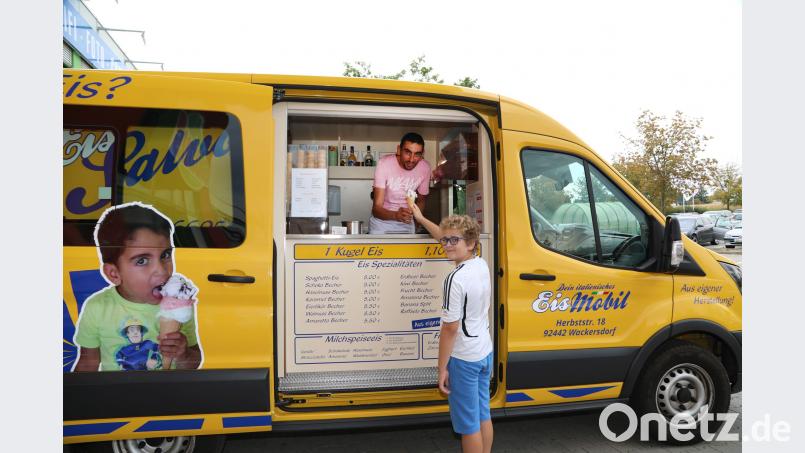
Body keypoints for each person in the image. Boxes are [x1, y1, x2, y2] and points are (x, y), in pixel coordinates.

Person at [72, 202, 202, 371]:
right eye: (142, 260)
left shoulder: (179, 302)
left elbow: (193, 361)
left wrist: (183, 354)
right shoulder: (98, 307)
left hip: (166, 393)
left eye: (166, 255)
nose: (161, 270)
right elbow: (88, 363)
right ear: (114, 274)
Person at [409, 199, 494, 453]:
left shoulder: (454, 279)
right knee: (482, 415)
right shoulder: (480, 263)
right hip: (484, 353)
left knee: (468, 427)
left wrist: (441, 368)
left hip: (463, 358)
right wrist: (421, 218)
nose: (446, 245)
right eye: (444, 240)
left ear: (470, 244)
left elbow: (450, 328)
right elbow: (448, 237)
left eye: (453, 241)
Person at [369, 132, 432, 234]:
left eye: (417, 154)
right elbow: (376, 209)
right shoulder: (384, 164)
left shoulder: (425, 168)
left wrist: (416, 224)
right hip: (381, 224)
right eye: (407, 152)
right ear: (399, 150)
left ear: (422, 154)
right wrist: (396, 215)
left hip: (407, 223)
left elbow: (421, 201)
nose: (411, 160)